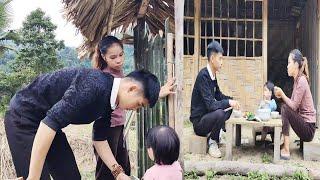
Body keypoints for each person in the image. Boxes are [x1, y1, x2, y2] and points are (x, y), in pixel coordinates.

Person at [4, 68, 164, 180]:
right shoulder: (94, 86)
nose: (136, 110)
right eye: (139, 104)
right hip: (24, 117)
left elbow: (100, 140)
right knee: (36, 177)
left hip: (48, 123)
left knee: (70, 176)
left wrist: (119, 173)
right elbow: (48, 124)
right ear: (131, 89)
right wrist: (33, 177)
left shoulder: (110, 100)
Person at [92, 35, 175, 180]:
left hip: (119, 125)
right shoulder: (104, 78)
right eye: (113, 57)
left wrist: (159, 92)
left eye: (121, 55)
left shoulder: (121, 73)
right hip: (107, 128)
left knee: (123, 164)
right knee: (106, 169)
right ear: (104, 57)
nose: (118, 60)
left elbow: (138, 94)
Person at [190, 40, 240, 158]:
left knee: (228, 107)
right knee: (220, 113)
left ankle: (217, 132)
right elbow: (211, 105)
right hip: (199, 122)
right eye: (220, 58)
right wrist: (228, 102)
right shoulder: (203, 76)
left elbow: (219, 96)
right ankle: (213, 141)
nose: (222, 62)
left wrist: (232, 101)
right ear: (212, 58)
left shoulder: (212, 75)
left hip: (208, 116)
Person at [274, 49, 316, 160]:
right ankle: (284, 144)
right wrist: (282, 96)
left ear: (296, 64)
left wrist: (282, 94)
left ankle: (287, 150)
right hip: (305, 126)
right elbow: (293, 104)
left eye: (289, 63)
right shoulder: (297, 80)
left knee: (285, 108)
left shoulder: (302, 80)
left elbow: (293, 107)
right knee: (284, 107)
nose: (287, 66)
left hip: (308, 129)